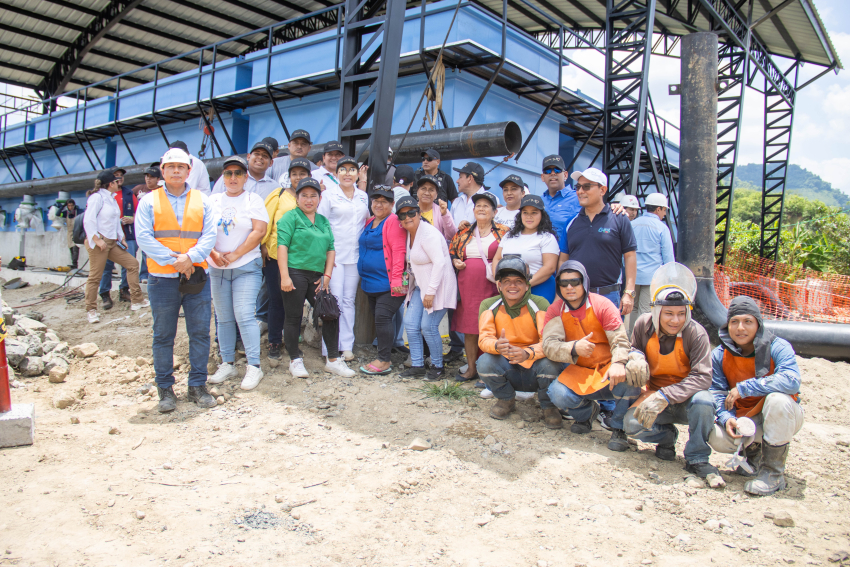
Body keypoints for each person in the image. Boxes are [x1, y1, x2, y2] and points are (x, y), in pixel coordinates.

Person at [135, 148, 217, 412]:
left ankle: (197, 386)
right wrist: (176, 260)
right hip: (162, 279)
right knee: (163, 335)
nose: (176, 171)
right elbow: (144, 237)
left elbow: (209, 234)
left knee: (200, 333)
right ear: (163, 170)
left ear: (189, 171)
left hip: (195, 277)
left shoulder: (203, 200)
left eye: (181, 167)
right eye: (171, 167)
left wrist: (190, 258)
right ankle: (165, 390)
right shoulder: (149, 201)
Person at [622, 263, 719, 477]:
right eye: (668, 314)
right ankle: (666, 437)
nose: (675, 320)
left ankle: (697, 457)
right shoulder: (643, 325)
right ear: (656, 311)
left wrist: (667, 395)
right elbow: (635, 346)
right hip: (653, 395)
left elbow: (703, 377)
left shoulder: (697, 333)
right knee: (631, 425)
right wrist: (635, 356)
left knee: (705, 401)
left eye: (681, 314)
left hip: (686, 401)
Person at [542, 260, 643, 451]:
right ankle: (587, 414)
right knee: (557, 393)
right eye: (563, 283)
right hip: (579, 371)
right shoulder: (555, 310)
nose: (569, 287)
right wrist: (573, 348)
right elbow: (548, 346)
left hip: (609, 369)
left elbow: (621, 341)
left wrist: (619, 363)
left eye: (575, 281)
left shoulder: (602, 305)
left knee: (631, 373)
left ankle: (619, 428)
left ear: (585, 282)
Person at [707, 296, 803, 496]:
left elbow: (791, 380)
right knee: (714, 435)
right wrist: (726, 418)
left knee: (777, 400)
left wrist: (745, 388)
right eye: (734, 322)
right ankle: (753, 455)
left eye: (747, 322)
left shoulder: (778, 346)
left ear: (758, 324)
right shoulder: (720, 354)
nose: (740, 328)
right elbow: (716, 392)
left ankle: (773, 473)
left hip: (783, 415)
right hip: (745, 419)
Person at [277, 177, 355, 378]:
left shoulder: (323, 221)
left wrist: (327, 275)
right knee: (293, 317)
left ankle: (333, 360)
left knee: (330, 313)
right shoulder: (290, 217)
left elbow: (331, 249)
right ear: (297, 198)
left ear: (319, 199)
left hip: (318, 276)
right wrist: (285, 277)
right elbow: (282, 247)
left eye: (313, 196)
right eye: (304, 195)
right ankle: (295, 360)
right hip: (295, 273)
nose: (309, 200)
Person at [204, 156, 269, 390]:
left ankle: (254, 366)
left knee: (243, 314)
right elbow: (200, 231)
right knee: (223, 317)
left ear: (245, 177)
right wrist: (212, 253)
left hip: (245, 267)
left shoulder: (253, 199)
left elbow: (258, 231)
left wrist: (235, 254)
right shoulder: (212, 201)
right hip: (217, 268)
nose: (233, 178)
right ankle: (228, 362)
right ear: (223, 177)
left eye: (238, 173)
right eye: (228, 173)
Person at [478, 256, 562, 427]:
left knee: (551, 363)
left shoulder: (540, 304)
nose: (512, 286)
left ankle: (549, 406)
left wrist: (527, 353)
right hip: (506, 362)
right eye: (506, 281)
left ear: (527, 285)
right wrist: (496, 346)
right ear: (499, 285)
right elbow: (484, 339)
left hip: (534, 364)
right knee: (484, 362)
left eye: (518, 281)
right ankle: (506, 400)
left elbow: (549, 342)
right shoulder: (489, 305)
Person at [558, 167, 637, 316]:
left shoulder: (619, 218)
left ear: (602, 190)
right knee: (578, 339)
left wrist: (629, 292)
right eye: (578, 187)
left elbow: (630, 256)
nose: (580, 191)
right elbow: (563, 260)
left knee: (610, 339)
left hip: (609, 296)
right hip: (575, 296)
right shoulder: (571, 222)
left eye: (587, 186)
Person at [449, 191, 509, 382]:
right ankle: (472, 368)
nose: (481, 209)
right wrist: (455, 261)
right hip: (467, 286)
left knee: (490, 327)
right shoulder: (464, 232)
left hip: (491, 286)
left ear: (494, 211)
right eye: (478, 206)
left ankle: (488, 371)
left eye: (486, 206)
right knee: (470, 328)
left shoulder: (503, 232)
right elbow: (452, 251)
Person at [396, 195, 457, 381]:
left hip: (439, 287)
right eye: (402, 215)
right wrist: (406, 284)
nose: (407, 217)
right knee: (411, 324)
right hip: (421, 286)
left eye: (411, 213)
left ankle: (438, 367)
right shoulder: (408, 233)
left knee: (428, 327)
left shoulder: (428, 233)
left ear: (419, 212)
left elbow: (439, 264)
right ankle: (417, 365)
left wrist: (430, 293)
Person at [317, 156, 370, 361]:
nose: (347, 173)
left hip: (354, 256)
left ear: (358, 174)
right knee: (333, 300)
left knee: (349, 301)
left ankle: (346, 345)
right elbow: (321, 226)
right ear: (336, 173)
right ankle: (329, 347)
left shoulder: (363, 196)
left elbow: (366, 221)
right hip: (334, 257)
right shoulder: (329, 196)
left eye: (352, 170)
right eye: (343, 169)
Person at [260, 157, 311, 359]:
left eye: (303, 173)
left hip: (300, 260)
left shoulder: (311, 197)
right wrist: (263, 245)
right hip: (274, 257)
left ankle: (292, 342)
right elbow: (266, 221)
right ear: (289, 176)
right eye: (294, 173)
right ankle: (274, 341)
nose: (298, 177)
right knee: (276, 301)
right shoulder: (279, 195)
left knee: (296, 303)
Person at [83, 170, 148, 323]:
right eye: (115, 181)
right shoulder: (96, 198)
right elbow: (88, 220)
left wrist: (122, 237)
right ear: (110, 184)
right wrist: (97, 239)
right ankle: (91, 310)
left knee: (132, 264)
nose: (118, 182)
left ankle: (137, 300)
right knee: (95, 276)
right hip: (100, 242)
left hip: (112, 243)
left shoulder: (111, 199)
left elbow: (115, 220)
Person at [357, 187, 406, 375]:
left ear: (392, 204)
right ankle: (385, 353)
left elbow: (399, 251)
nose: (379, 204)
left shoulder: (393, 221)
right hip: (370, 282)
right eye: (375, 200)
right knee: (381, 320)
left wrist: (396, 282)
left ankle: (384, 360)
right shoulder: (370, 221)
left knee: (383, 318)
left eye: (384, 201)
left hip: (389, 283)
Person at [492, 194, 559, 302]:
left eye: (534, 212)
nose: (529, 216)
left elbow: (549, 268)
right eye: (525, 213)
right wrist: (498, 281)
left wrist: (525, 284)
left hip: (538, 289)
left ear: (542, 215)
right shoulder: (509, 236)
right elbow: (497, 259)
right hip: (510, 290)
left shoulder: (547, 238)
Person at [629, 193, 675, 336]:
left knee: (632, 309)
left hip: (632, 275)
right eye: (664, 210)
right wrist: (671, 279)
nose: (664, 214)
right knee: (645, 310)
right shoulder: (662, 228)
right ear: (659, 209)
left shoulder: (632, 224)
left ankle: (630, 339)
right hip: (651, 278)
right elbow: (668, 256)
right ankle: (640, 342)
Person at [97, 166, 139, 306]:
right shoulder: (101, 196)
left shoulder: (128, 193)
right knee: (106, 266)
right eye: (116, 176)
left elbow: (138, 212)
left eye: (121, 175)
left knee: (129, 264)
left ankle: (124, 290)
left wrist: (132, 219)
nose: (119, 178)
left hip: (127, 234)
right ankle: (105, 294)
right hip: (107, 236)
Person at [211, 141, 278, 199]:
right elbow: (213, 202)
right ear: (248, 157)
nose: (260, 157)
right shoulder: (229, 176)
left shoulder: (275, 188)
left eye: (265, 156)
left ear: (271, 162)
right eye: (257, 154)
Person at [540, 155, 581, 241]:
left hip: (568, 253)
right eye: (547, 171)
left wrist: (615, 206)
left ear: (565, 175)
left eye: (557, 170)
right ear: (542, 177)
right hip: (541, 253)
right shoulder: (539, 201)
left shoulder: (579, 198)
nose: (553, 173)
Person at [451, 162, 495, 229]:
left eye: (460, 177)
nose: (457, 181)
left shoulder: (491, 199)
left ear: (470, 178)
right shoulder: (457, 201)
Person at [415, 175, 456, 240]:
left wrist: (445, 215)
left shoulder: (441, 211)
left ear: (436, 195)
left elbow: (451, 236)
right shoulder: (411, 210)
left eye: (431, 190)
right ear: (417, 192)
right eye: (423, 188)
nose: (427, 193)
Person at [57, 198, 82, 269]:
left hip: (76, 232)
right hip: (70, 233)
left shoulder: (78, 212)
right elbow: (57, 214)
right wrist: (62, 206)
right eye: (69, 205)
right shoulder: (66, 213)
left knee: (75, 248)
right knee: (71, 248)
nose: (70, 207)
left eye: (72, 205)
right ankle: (73, 263)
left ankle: (75, 264)